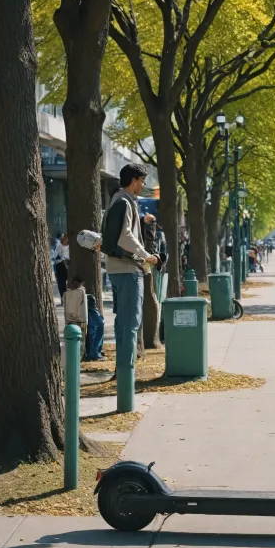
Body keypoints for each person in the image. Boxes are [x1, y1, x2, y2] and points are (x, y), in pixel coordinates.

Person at [101, 164, 159, 384]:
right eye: (142, 181)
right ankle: (126, 376)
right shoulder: (124, 202)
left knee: (123, 322)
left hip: (118, 268)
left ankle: (123, 370)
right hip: (127, 269)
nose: (143, 185)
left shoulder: (118, 201)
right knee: (131, 321)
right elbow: (125, 235)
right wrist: (146, 255)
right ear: (134, 180)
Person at [76, 230, 106, 361]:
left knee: (97, 323)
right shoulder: (88, 252)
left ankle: (95, 351)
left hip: (87, 293)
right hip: (86, 293)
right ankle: (93, 352)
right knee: (96, 323)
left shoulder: (87, 251)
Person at [53, 233, 71, 299]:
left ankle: (69, 297)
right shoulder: (59, 246)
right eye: (63, 238)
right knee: (61, 283)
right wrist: (62, 259)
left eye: (66, 238)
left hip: (69, 265)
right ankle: (63, 297)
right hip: (60, 265)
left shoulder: (70, 246)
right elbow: (55, 256)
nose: (64, 239)